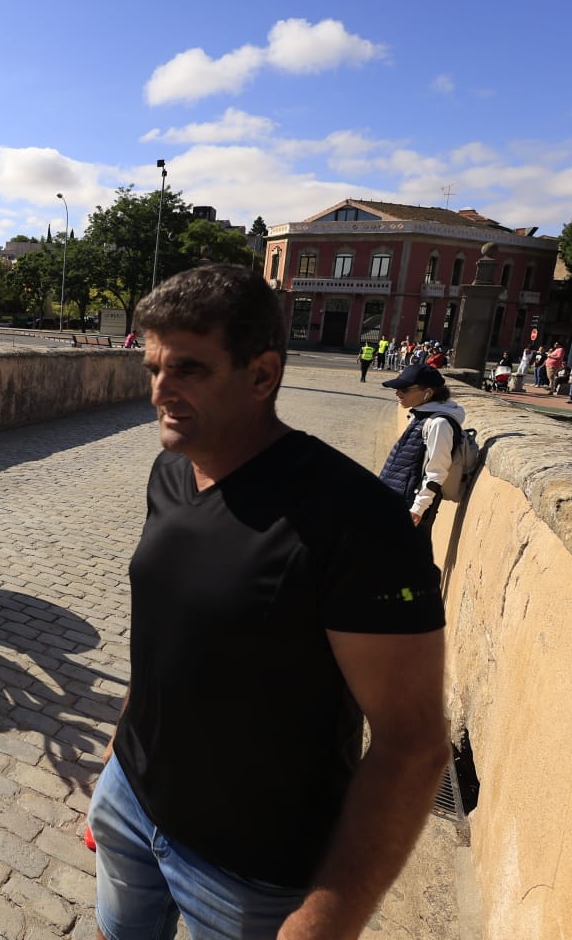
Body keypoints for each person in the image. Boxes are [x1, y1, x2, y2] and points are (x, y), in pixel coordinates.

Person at [88, 264, 448, 940]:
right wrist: (120, 754)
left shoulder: (354, 520)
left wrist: (324, 921)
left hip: (249, 872)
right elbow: (165, 632)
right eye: (153, 368)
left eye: (189, 369)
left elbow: (414, 743)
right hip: (129, 806)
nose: (161, 391)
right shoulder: (170, 469)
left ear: (262, 375)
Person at [378, 364, 468, 549]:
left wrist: (418, 509)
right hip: (397, 501)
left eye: (404, 389)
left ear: (427, 393)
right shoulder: (421, 416)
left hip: (410, 507)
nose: (398, 394)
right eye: (397, 389)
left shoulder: (439, 424)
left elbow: (436, 472)